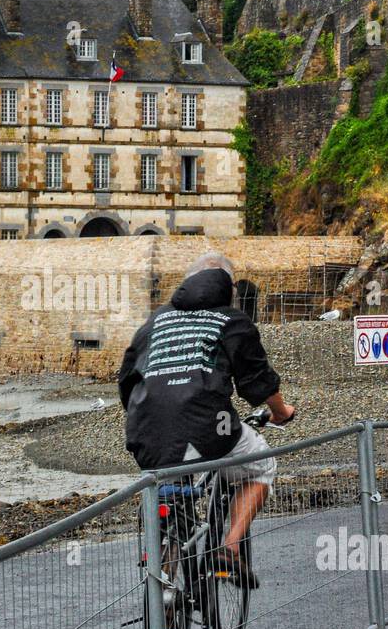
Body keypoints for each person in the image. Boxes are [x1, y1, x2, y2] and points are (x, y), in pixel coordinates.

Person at [118, 251, 295, 588]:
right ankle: (229, 547)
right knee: (262, 466)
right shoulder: (231, 321)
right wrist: (281, 412)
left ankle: (164, 588)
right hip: (206, 430)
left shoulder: (154, 322)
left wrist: (147, 417)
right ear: (229, 289)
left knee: (172, 492)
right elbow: (257, 381)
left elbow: (127, 380)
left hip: (147, 431)